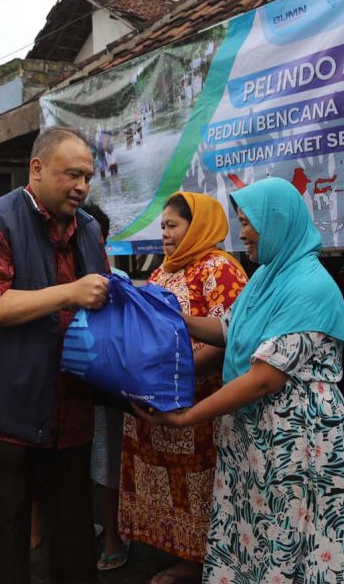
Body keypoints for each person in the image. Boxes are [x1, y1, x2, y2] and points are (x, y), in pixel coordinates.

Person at [136, 178, 344, 583]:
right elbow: (229, 329)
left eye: (248, 223)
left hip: (295, 438)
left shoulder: (309, 285)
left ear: (276, 222)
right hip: (254, 433)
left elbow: (264, 379)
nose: (241, 234)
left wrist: (187, 417)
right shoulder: (267, 277)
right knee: (252, 532)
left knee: (289, 537)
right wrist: (169, 314)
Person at [0, 125, 109, 583]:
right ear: (37, 169)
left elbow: (99, 299)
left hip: (72, 404)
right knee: (9, 530)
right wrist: (68, 294)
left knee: (74, 530)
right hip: (12, 405)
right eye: (71, 175)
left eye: (87, 175)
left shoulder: (86, 228)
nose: (81, 186)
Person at [118, 192, 247, 584]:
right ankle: (182, 554)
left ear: (199, 225)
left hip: (200, 399)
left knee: (201, 483)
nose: (165, 235)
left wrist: (177, 372)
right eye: (163, 227)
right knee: (172, 483)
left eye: (172, 226)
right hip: (160, 395)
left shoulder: (220, 269)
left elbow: (231, 335)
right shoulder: (162, 271)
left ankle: (200, 562)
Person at [79, 202, 130, 571]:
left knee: (107, 462)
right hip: (68, 391)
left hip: (106, 393)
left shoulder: (121, 283)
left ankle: (113, 535)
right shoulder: (57, 280)